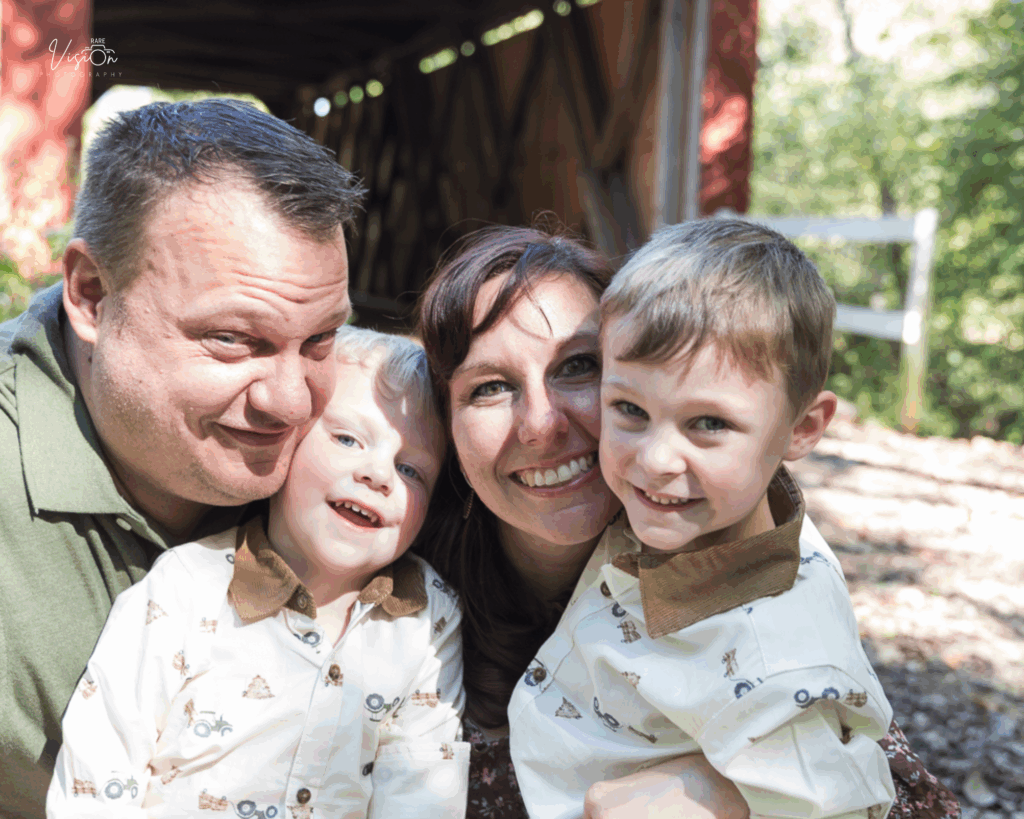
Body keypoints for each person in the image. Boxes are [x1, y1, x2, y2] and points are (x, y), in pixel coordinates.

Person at [414, 225, 961, 819]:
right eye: (491, 387)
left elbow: (877, 786)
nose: (541, 426)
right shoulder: (395, 580)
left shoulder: (763, 587)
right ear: (443, 419)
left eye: (577, 366)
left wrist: (734, 796)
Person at [0, 98, 363, 818]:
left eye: (320, 338)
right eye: (235, 338)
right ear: (93, 295)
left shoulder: (367, 429)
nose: (292, 403)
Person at [47, 327, 469, 818]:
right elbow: (99, 768)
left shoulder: (427, 618)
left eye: (410, 470)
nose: (377, 474)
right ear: (286, 444)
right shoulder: (186, 589)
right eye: (348, 438)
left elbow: (421, 791)